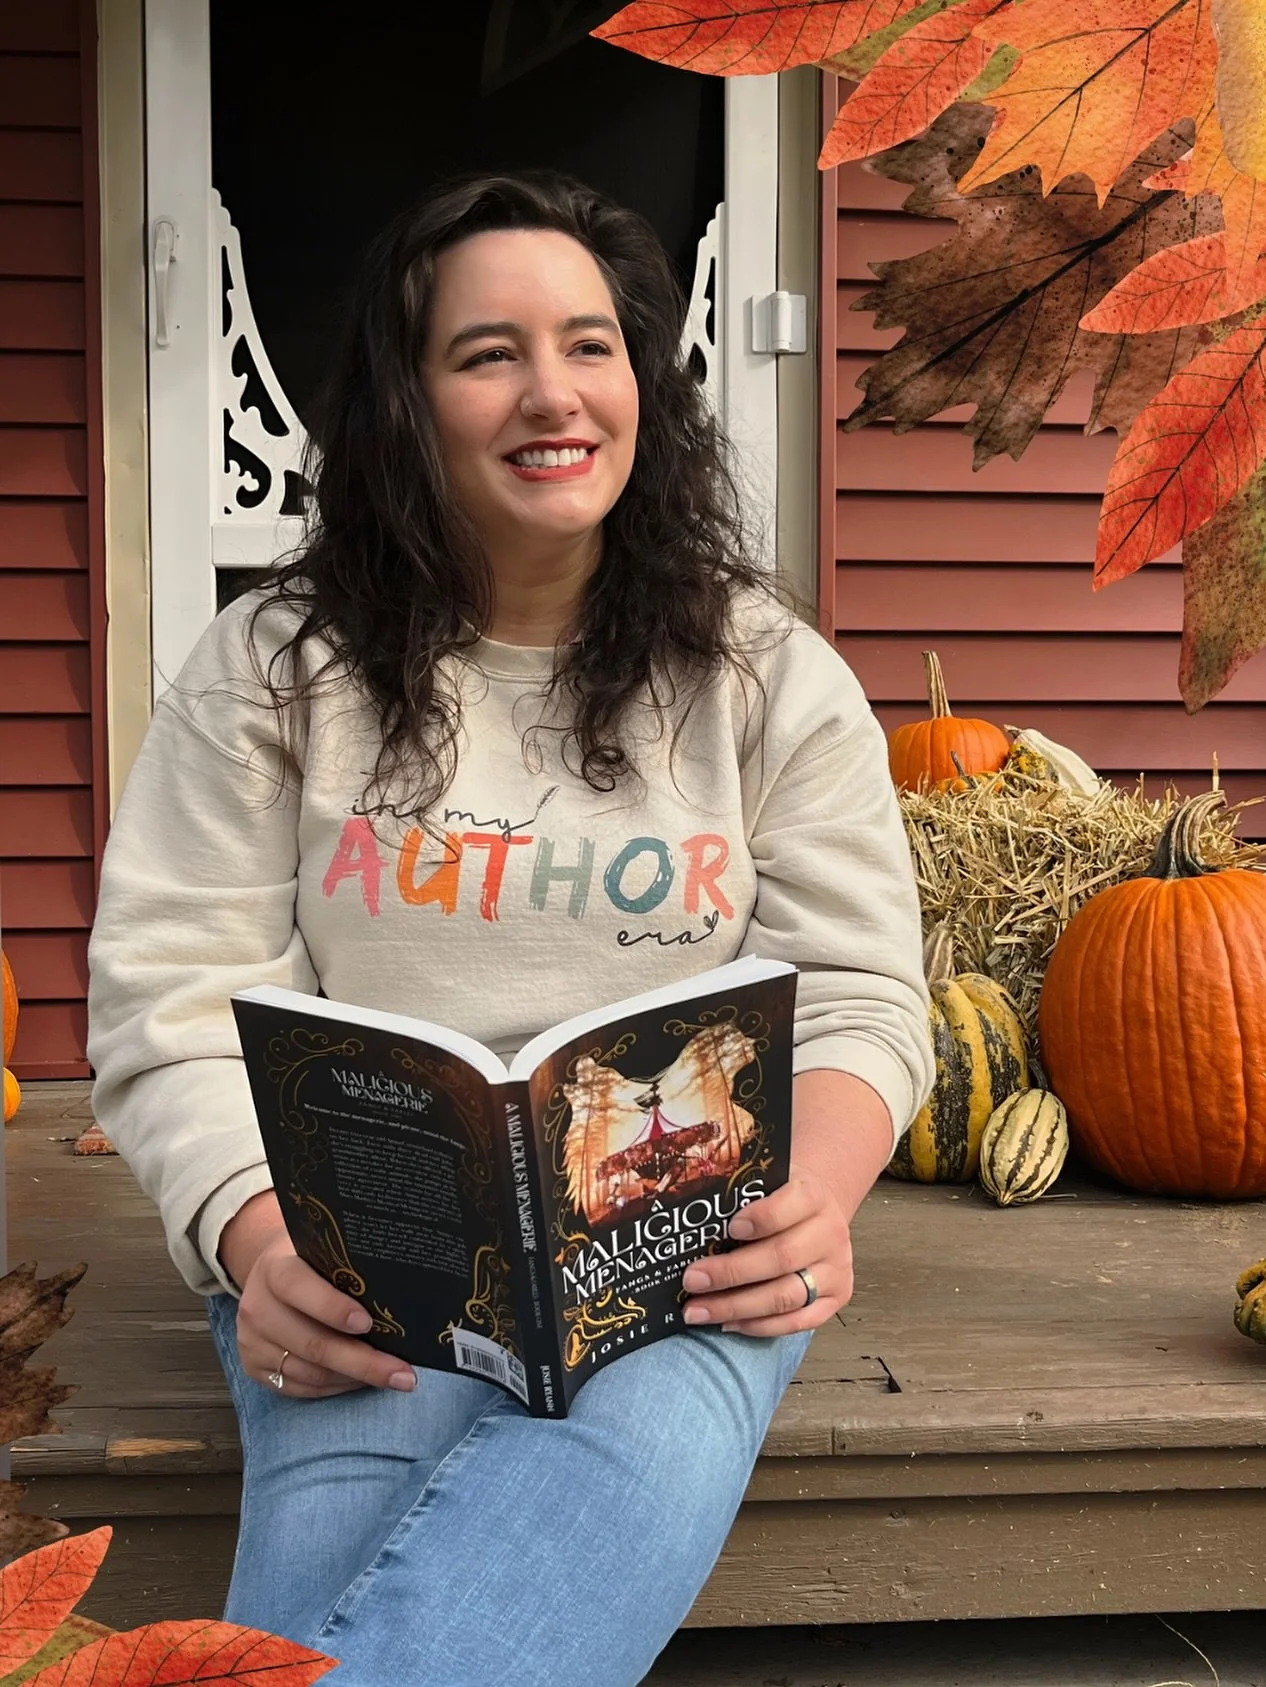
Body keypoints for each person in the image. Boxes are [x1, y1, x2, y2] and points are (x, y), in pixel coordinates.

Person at [87, 171, 933, 1687]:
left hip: (686, 1246)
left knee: (627, 1458)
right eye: (488, 353)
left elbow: (861, 985)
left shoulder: (766, 676)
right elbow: (172, 994)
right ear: (407, 404)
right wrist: (252, 1231)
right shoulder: (269, 671)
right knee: (351, 1482)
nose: (554, 392)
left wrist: (813, 1192)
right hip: (359, 1247)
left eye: (589, 343)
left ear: (641, 379)